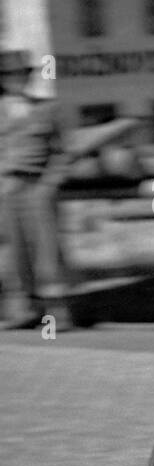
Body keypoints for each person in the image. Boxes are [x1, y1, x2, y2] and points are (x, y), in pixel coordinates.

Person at [0, 52, 72, 330]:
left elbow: (61, 153)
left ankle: (56, 315)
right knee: (13, 250)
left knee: (47, 250)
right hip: (8, 188)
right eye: (9, 76)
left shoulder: (46, 109)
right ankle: (22, 311)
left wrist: (49, 183)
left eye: (21, 75)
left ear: (28, 78)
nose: (16, 80)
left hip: (38, 186)